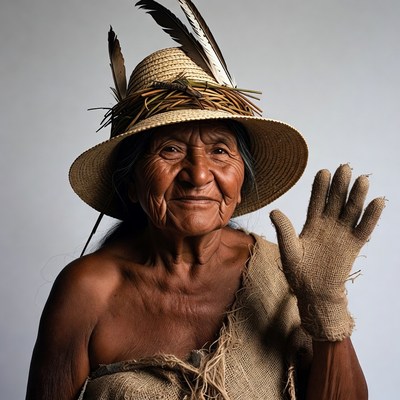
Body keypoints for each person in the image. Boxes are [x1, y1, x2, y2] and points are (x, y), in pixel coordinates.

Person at [26, 2, 384, 399]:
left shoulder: (284, 274)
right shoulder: (88, 291)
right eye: (170, 150)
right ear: (130, 183)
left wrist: (324, 305)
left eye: (219, 151)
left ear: (241, 178)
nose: (197, 175)